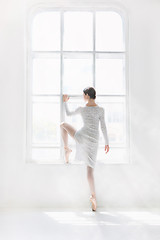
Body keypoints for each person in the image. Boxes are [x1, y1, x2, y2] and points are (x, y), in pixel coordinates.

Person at [60, 87, 109, 211]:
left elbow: (68, 114)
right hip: (94, 141)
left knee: (62, 125)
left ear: (87, 95)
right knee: (89, 172)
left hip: (82, 137)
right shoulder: (100, 110)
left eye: (83, 95)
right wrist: (107, 143)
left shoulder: (82, 109)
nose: (83, 97)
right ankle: (93, 197)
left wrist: (65, 102)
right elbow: (103, 127)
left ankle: (67, 148)